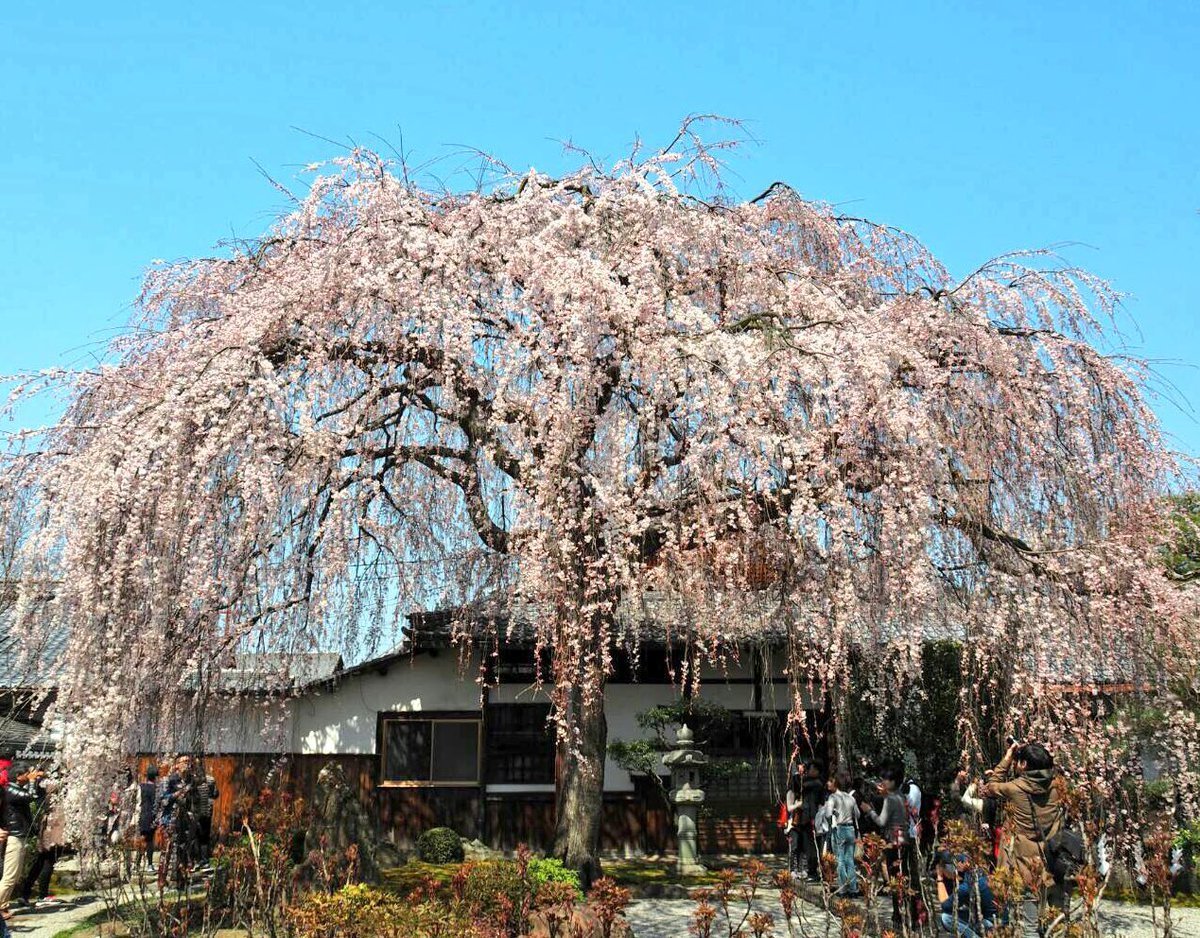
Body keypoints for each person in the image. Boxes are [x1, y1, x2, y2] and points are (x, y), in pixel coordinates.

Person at [983, 741, 1064, 935]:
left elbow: (991, 786)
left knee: (1029, 927)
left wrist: (1008, 757)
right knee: (1056, 925)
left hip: (1026, 866)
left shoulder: (1015, 788)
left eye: (1020, 761)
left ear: (1024, 765)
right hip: (1053, 862)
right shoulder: (1057, 786)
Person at [861, 772, 917, 928]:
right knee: (905, 876)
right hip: (905, 840)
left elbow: (881, 821)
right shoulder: (901, 797)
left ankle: (898, 915)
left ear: (892, 781)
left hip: (893, 842)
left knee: (894, 879)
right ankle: (909, 914)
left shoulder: (890, 799)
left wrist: (869, 811)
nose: (882, 783)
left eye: (885, 780)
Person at [18, 772, 68, 908]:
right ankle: (42, 895)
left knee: (41, 860)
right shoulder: (50, 785)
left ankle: (26, 893)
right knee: (48, 859)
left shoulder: (44, 784)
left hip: (49, 824)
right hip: (54, 825)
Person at [0, 762, 44, 914]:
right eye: (27, 773)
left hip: (20, 834)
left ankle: (3, 906)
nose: (30, 775)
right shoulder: (10, 790)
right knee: (10, 876)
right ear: (18, 776)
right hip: (15, 836)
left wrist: (34, 780)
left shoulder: (14, 789)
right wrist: (32, 781)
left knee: (14, 875)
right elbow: (31, 796)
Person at [938, 852, 997, 938]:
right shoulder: (984, 874)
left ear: (966, 862)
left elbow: (945, 905)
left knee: (946, 918)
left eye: (955, 863)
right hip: (993, 919)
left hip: (988, 924)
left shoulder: (968, 885)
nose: (955, 867)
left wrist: (940, 878)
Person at [826, 770, 861, 896]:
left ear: (836, 783)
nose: (828, 783)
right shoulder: (850, 797)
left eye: (831, 781)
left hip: (839, 828)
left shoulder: (833, 797)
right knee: (850, 860)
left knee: (840, 860)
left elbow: (828, 814)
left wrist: (835, 813)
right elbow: (858, 814)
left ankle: (843, 888)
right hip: (851, 828)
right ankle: (853, 888)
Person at [136, 764, 161, 873]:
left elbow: (138, 801)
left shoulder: (141, 787)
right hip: (151, 815)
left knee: (142, 839)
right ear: (155, 777)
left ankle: (137, 863)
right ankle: (149, 864)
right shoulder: (156, 789)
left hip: (142, 814)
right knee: (149, 841)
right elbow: (157, 804)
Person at [785, 772, 804, 876]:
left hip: (802, 822)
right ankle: (792, 869)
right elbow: (789, 808)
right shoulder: (790, 793)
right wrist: (798, 804)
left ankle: (800, 869)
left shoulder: (802, 793)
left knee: (801, 847)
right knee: (794, 847)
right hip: (793, 823)